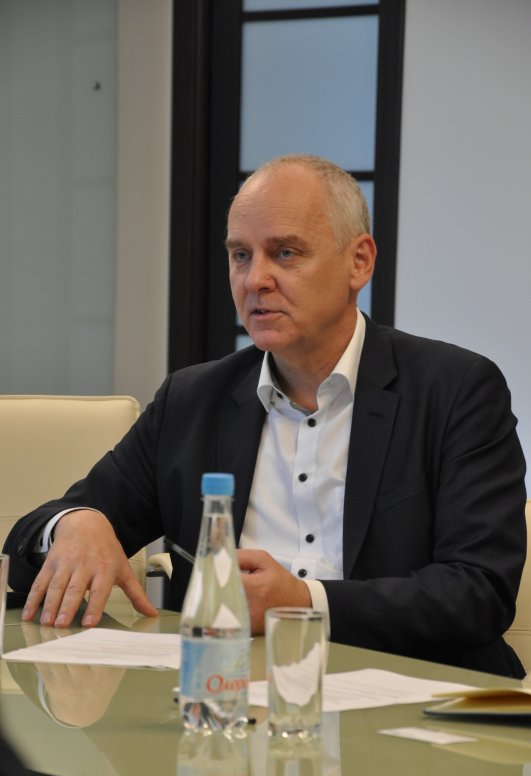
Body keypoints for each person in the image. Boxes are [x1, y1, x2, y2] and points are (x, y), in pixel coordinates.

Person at [4, 154, 527, 677]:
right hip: (228, 702)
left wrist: (303, 602)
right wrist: (74, 524)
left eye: (285, 253)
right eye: (240, 255)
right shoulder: (193, 401)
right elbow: (28, 549)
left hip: (412, 696)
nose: (255, 279)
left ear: (359, 262)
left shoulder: (456, 390)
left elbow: (479, 592)